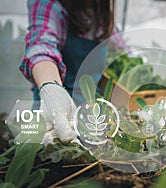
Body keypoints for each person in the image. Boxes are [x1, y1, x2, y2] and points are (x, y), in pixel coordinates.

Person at [19, 0, 124, 143]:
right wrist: (51, 89)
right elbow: (41, 47)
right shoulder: (50, 5)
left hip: (91, 117)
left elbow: (121, 50)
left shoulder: (101, 13)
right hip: (54, 113)